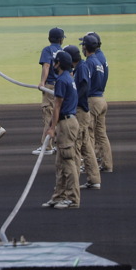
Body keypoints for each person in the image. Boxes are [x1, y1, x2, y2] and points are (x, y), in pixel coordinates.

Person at [42, 50, 80, 209]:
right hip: (67, 122)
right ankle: (58, 196)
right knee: (60, 162)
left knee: (68, 162)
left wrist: (51, 128)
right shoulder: (67, 78)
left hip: (66, 123)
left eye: (55, 62)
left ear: (58, 64)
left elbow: (57, 106)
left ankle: (72, 199)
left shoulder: (61, 81)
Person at [65, 44, 101, 190]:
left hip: (80, 112)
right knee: (87, 146)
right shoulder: (80, 66)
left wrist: (74, 98)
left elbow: (84, 86)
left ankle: (73, 184)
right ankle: (94, 179)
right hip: (83, 111)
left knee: (77, 146)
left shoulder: (82, 68)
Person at [81, 32, 113, 173]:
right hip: (101, 98)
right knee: (101, 134)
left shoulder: (90, 62)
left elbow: (85, 84)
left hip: (93, 100)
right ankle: (107, 164)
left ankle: (90, 166)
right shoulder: (100, 59)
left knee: (89, 134)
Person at [34, 27, 64, 155]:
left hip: (51, 86)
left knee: (48, 114)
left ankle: (47, 146)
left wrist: (42, 82)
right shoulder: (63, 51)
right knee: (60, 115)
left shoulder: (47, 50)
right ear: (61, 39)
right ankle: (61, 144)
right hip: (62, 86)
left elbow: (46, 65)